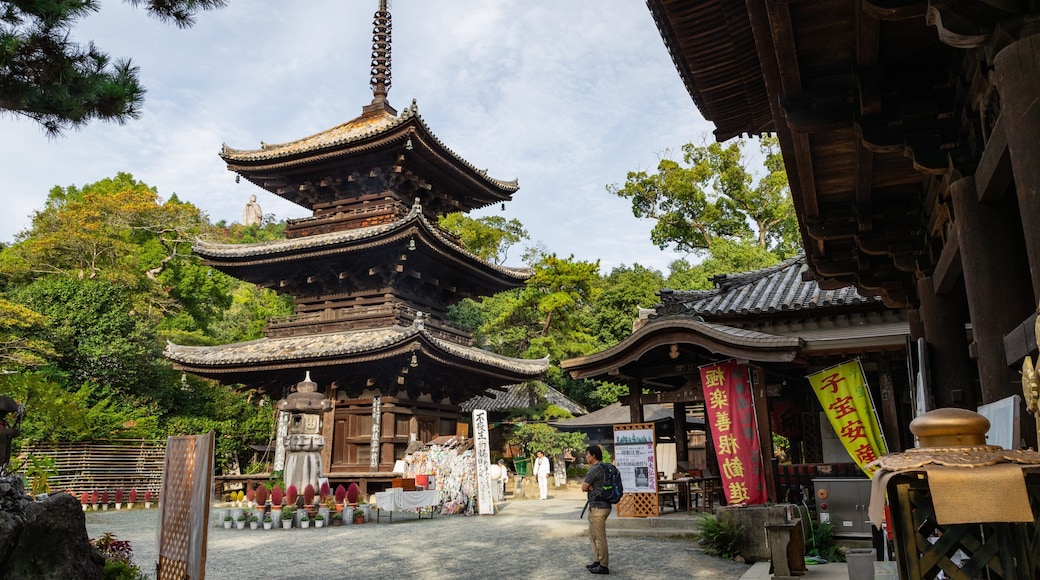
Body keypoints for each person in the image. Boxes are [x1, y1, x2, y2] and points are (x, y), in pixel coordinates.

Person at [581, 445, 611, 575]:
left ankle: (603, 566)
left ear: (593, 455)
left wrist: (589, 486)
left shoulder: (595, 469)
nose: (586, 457)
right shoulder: (605, 467)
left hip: (598, 507)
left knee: (599, 537)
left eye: (587, 454)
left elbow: (583, 487)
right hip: (603, 505)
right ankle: (597, 560)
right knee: (592, 535)